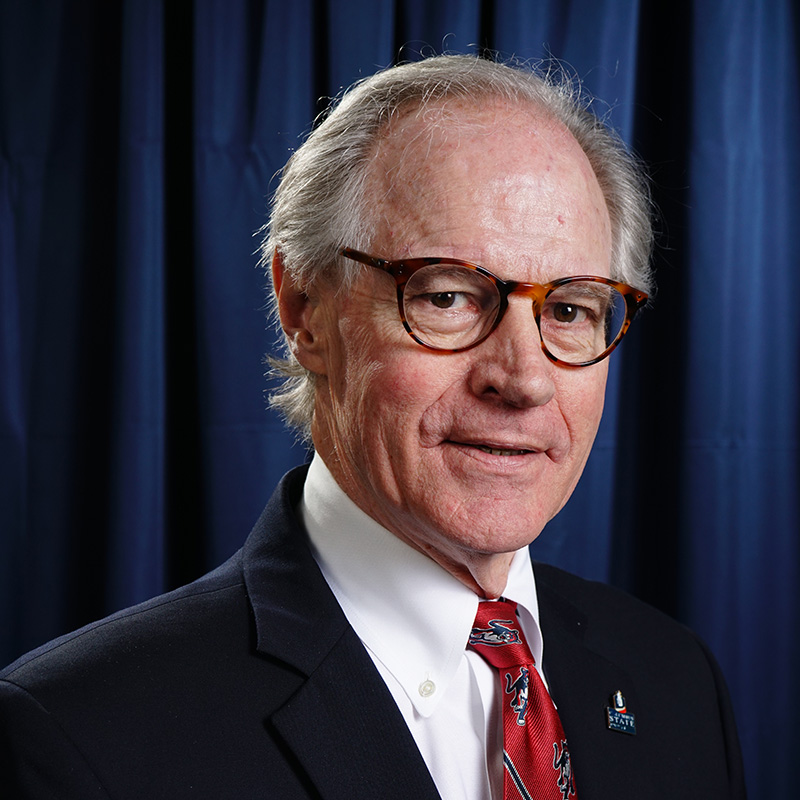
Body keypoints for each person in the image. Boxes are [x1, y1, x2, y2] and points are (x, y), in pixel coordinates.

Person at [0, 55, 745, 799]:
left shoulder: (677, 682)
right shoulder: (76, 738)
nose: (524, 379)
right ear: (305, 310)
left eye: (571, 309)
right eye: (448, 297)